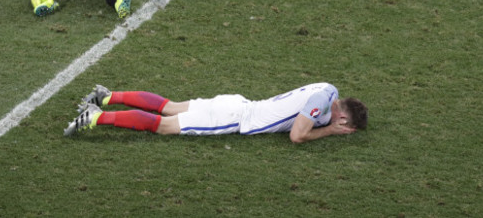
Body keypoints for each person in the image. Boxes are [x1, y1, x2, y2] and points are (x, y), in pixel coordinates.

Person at [64, 83, 368, 143]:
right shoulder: (323, 108)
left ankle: (106, 97)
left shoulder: (329, 90)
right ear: (343, 120)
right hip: (235, 117)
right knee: (164, 125)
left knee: (170, 106)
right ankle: (95, 116)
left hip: (237, 102)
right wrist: (328, 131)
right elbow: (296, 135)